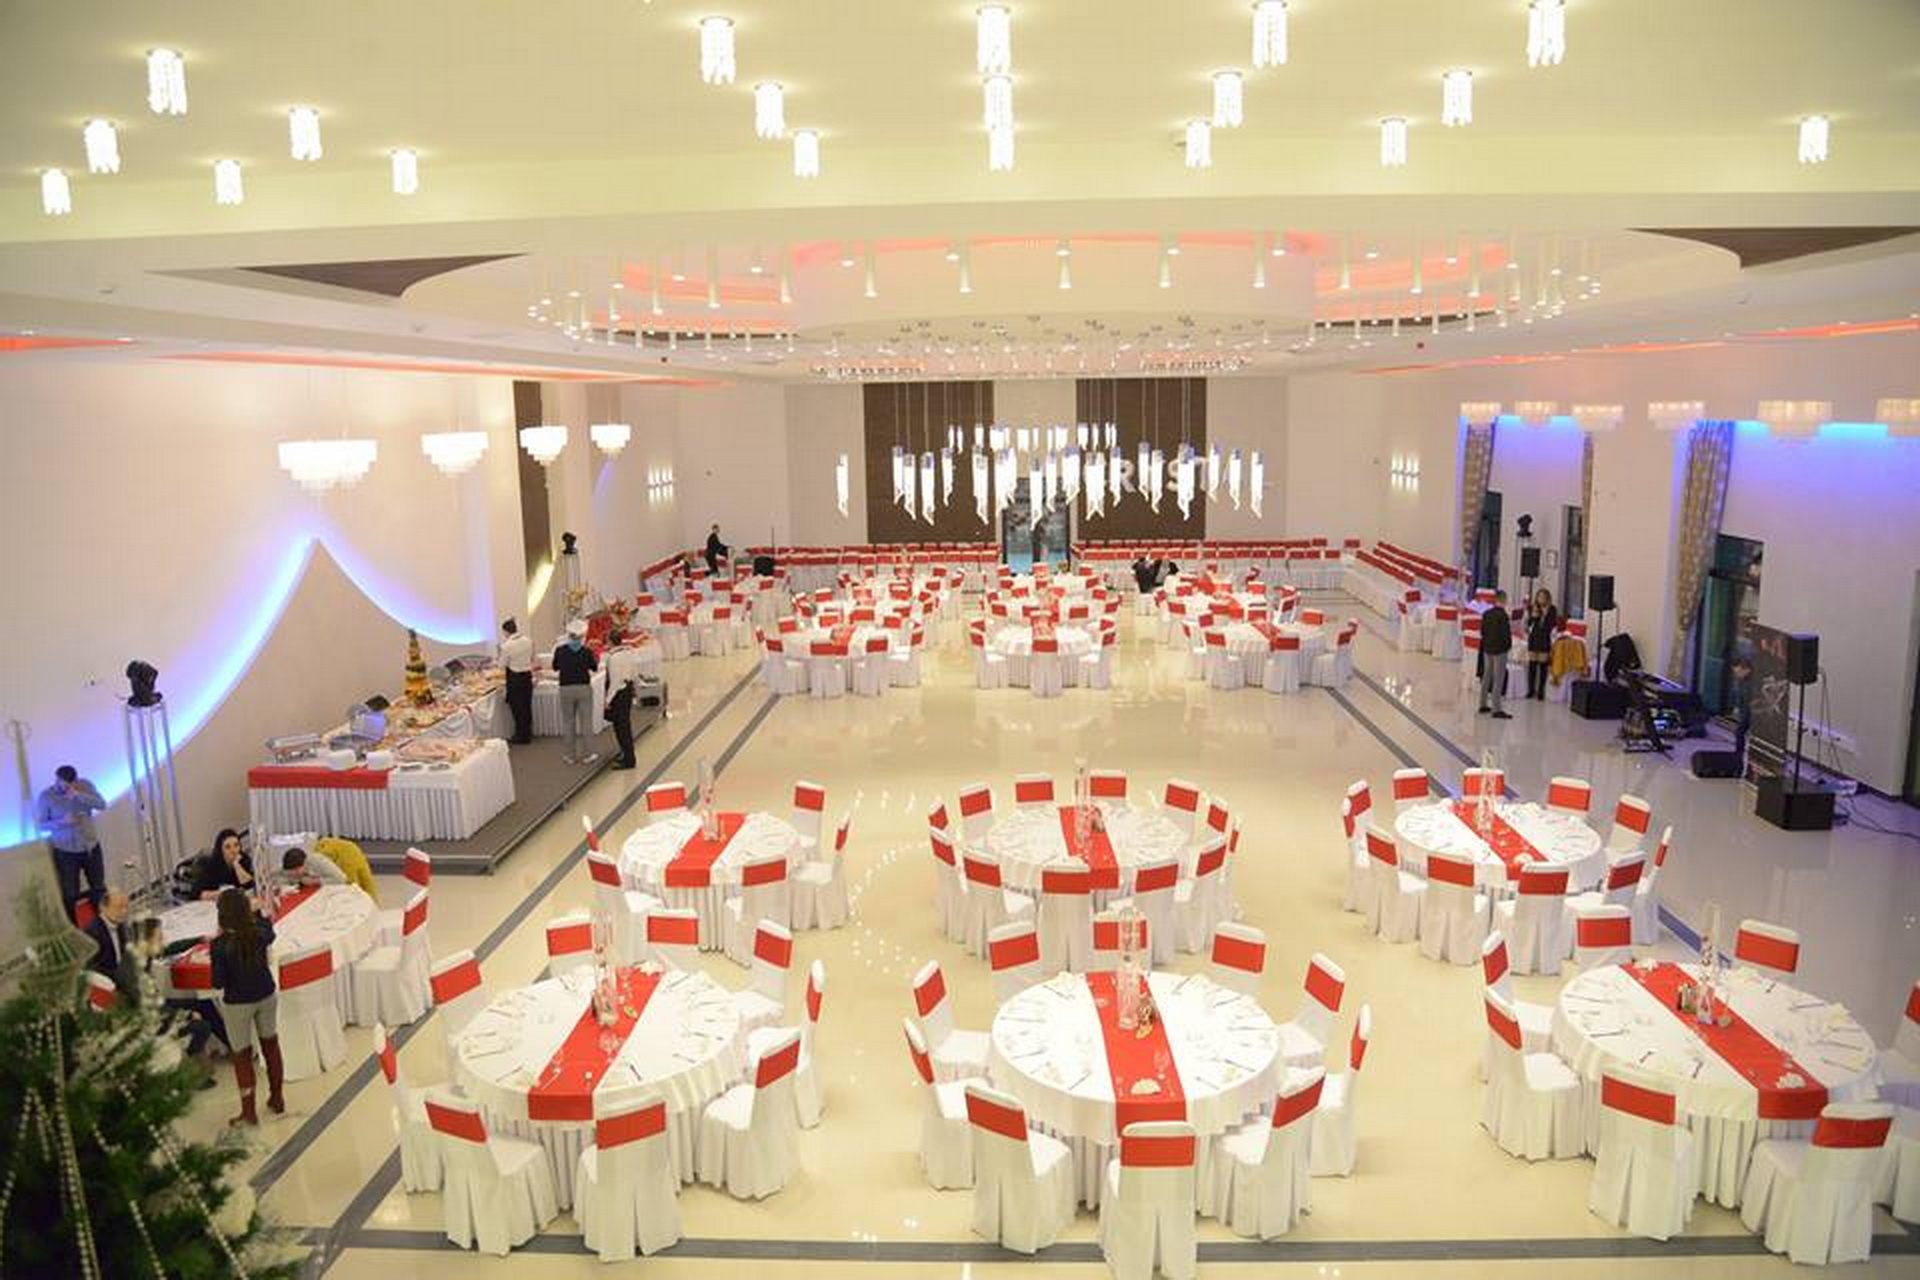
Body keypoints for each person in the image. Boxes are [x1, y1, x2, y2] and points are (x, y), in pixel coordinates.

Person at [209, 888, 284, 1125]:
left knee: (241, 1056)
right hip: (266, 994)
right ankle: (277, 1098)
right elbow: (270, 931)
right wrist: (258, 913)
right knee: (271, 1046)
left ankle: (249, 1112)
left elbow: (218, 982)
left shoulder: (219, 945)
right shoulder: (258, 933)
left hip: (238, 1003)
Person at [35, 764, 108, 920]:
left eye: (70, 784)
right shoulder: (46, 797)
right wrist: (62, 822)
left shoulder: (85, 786)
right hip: (66, 853)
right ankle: (76, 926)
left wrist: (79, 795)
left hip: (90, 847)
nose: (67, 788)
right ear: (57, 779)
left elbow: (102, 805)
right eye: (63, 784)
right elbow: (40, 826)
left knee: (99, 887)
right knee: (70, 894)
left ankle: (103, 922)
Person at [552, 619, 600, 766]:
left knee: (568, 723)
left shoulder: (560, 650)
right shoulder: (586, 651)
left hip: (565, 688)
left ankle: (570, 756)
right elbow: (594, 668)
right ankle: (588, 754)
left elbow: (555, 667)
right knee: (586, 722)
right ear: (582, 636)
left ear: (569, 635)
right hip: (583, 688)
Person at [602, 626, 645, 770]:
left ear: (610, 641)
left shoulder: (613, 658)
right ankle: (626, 754)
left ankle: (629, 759)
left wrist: (607, 700)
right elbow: (634, 673)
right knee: (624, 725)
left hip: (619, 694)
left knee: (621, 728)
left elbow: (614, 682)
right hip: (627, 691)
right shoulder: (628, 653)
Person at [84, 888, 139, 999]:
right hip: (107, 982)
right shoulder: (92, 932)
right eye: (118, 907)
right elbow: (93, 968)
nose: (124, 911)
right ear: (103, 908)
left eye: (126, 907)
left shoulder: (121, 924)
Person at [1479, 590, 1514, 720]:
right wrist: (1508, 646)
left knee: (1486, 676)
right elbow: (1506, 634)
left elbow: (1482, 631)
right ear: (1503, 600)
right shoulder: (1503, 616)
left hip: (1487, 648)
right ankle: (1496, 708)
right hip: (1500, 650)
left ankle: (1482, 704)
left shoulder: (1486, 614)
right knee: (1498, 678)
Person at [499, 616, 534, 745]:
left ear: (506, 631)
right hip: (527, 676)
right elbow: (531, 658)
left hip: (515, 678)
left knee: (517, 708)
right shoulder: (528, 641)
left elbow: (502, 665)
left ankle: (521, 735)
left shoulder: (507, 646)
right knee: (527, 705)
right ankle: (528, 733)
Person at [195, 828, 256, 901]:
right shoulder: (211, 864)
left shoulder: (244, 859)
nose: (233, 850)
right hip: (217, 902)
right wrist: (223, 893)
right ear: (221, 850)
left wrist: (236, 865)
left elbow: (249, 885)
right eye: (228, 847)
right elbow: (198, 893)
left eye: (236, 845)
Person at [1524, 588, 1561, 700]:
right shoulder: (1533, 607)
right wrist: (1533, 617)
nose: (1541, 599)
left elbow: (1553, 624)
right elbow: (1528, 624)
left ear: (1547, 598)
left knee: (1543, 665)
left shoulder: (1552, 609)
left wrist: (1545, 615)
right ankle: (1531, 690)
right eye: (1539, 596)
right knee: (1532, 665)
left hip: (1544, 638)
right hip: (1534, 638)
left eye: (1543, 597)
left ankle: (1541, 691)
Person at [311, 835, 378, 896]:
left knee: (351, 885)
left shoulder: (319, 853)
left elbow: (345, 881)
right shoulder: (321, 847)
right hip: (352, 849)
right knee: (366, 880)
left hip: (346, 856)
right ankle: (371, 900)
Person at [281, 846, 347, 888]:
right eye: (292, 871)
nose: (295, 873)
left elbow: (342, 879)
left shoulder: (318, 861)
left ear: (304, 862)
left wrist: (314, 881)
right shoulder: (293, 867)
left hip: (336, 890)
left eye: (297, 870)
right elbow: (285, 878)